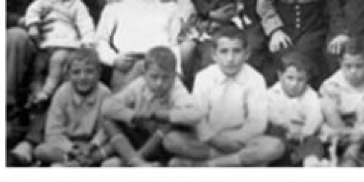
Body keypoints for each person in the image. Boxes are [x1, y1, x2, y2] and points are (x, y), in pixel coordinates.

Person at [165, 26, 285, 167]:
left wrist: (228, 140)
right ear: (214, 55)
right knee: (171, 140)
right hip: (210, 141)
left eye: (236, 51)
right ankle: (238, 163)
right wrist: (215, 139)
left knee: (275, 146)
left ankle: (206, 165)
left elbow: (257, 123)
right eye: (224, 52)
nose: (230, 58)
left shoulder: (255, 79)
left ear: (247, 54)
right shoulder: (204, 77)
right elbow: (198, 119)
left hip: (242, 142)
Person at [94, 0, 180, 91]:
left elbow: (175, 43)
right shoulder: (117, 4)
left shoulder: (169, 7)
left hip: (160, 68)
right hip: (127, 67)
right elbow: (100, 40)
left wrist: (176, 71)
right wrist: (114, 59)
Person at [100, 46, 201, 167]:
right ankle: (137, 162)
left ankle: (136, 161)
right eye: (154, 77)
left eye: (165, 78)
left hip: (161, 142)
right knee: (108, 121)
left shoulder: (177, 89)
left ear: (174, 76)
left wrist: (164, 115)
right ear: (145, 74)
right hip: (141, 136)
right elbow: (107, 106)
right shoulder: (139, 85)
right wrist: (132, 116)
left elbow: (195, 113)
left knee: (169, 124)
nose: (159, 83)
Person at [24, 0, 95, 106]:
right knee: (38, 65)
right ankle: (36, 92)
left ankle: (48, 91)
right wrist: (33, 25)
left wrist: (87, 41)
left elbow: (86, 24)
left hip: (65, 44)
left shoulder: (77, 5)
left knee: (57, 61)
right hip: (45, 43)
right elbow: (33, 10)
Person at [31, 47, 112, 167]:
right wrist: (71, 148)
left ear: (99, 73)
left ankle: (87, 161)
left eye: (89, 71)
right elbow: (53, 132)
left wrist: (93, 145)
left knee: (114, 147)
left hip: (92, 145)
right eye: (76, 72)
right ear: (68, 74)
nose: (82, 77)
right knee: (41, 150)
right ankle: (75, 162)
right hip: (67, 145)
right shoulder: (62, 93)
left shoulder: (105, 93)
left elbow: (106, 129)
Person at [319, 36, 364, 167]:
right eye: (348, 66)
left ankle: (352, 154)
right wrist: (339, 132)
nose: (353, 71)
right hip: (337, 130)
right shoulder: (332, 84)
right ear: (340, 63)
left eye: (359, 66)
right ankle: (352, 153)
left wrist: (362, 132)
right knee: (327, 104)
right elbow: (321, 117)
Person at [265, 51, 325, 166]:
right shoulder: (272, 94)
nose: (294, 84)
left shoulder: (311, 96)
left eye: (300, 79)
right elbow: (269, 112)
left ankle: (310, 162)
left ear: (307, 79)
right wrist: (286, 125)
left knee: (314, 142)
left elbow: (316, 116)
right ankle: (283, 160)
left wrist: (306, 131)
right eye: (290, 78)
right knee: (271, 133)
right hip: (282, 134)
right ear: (280, 75)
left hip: (303, 136)